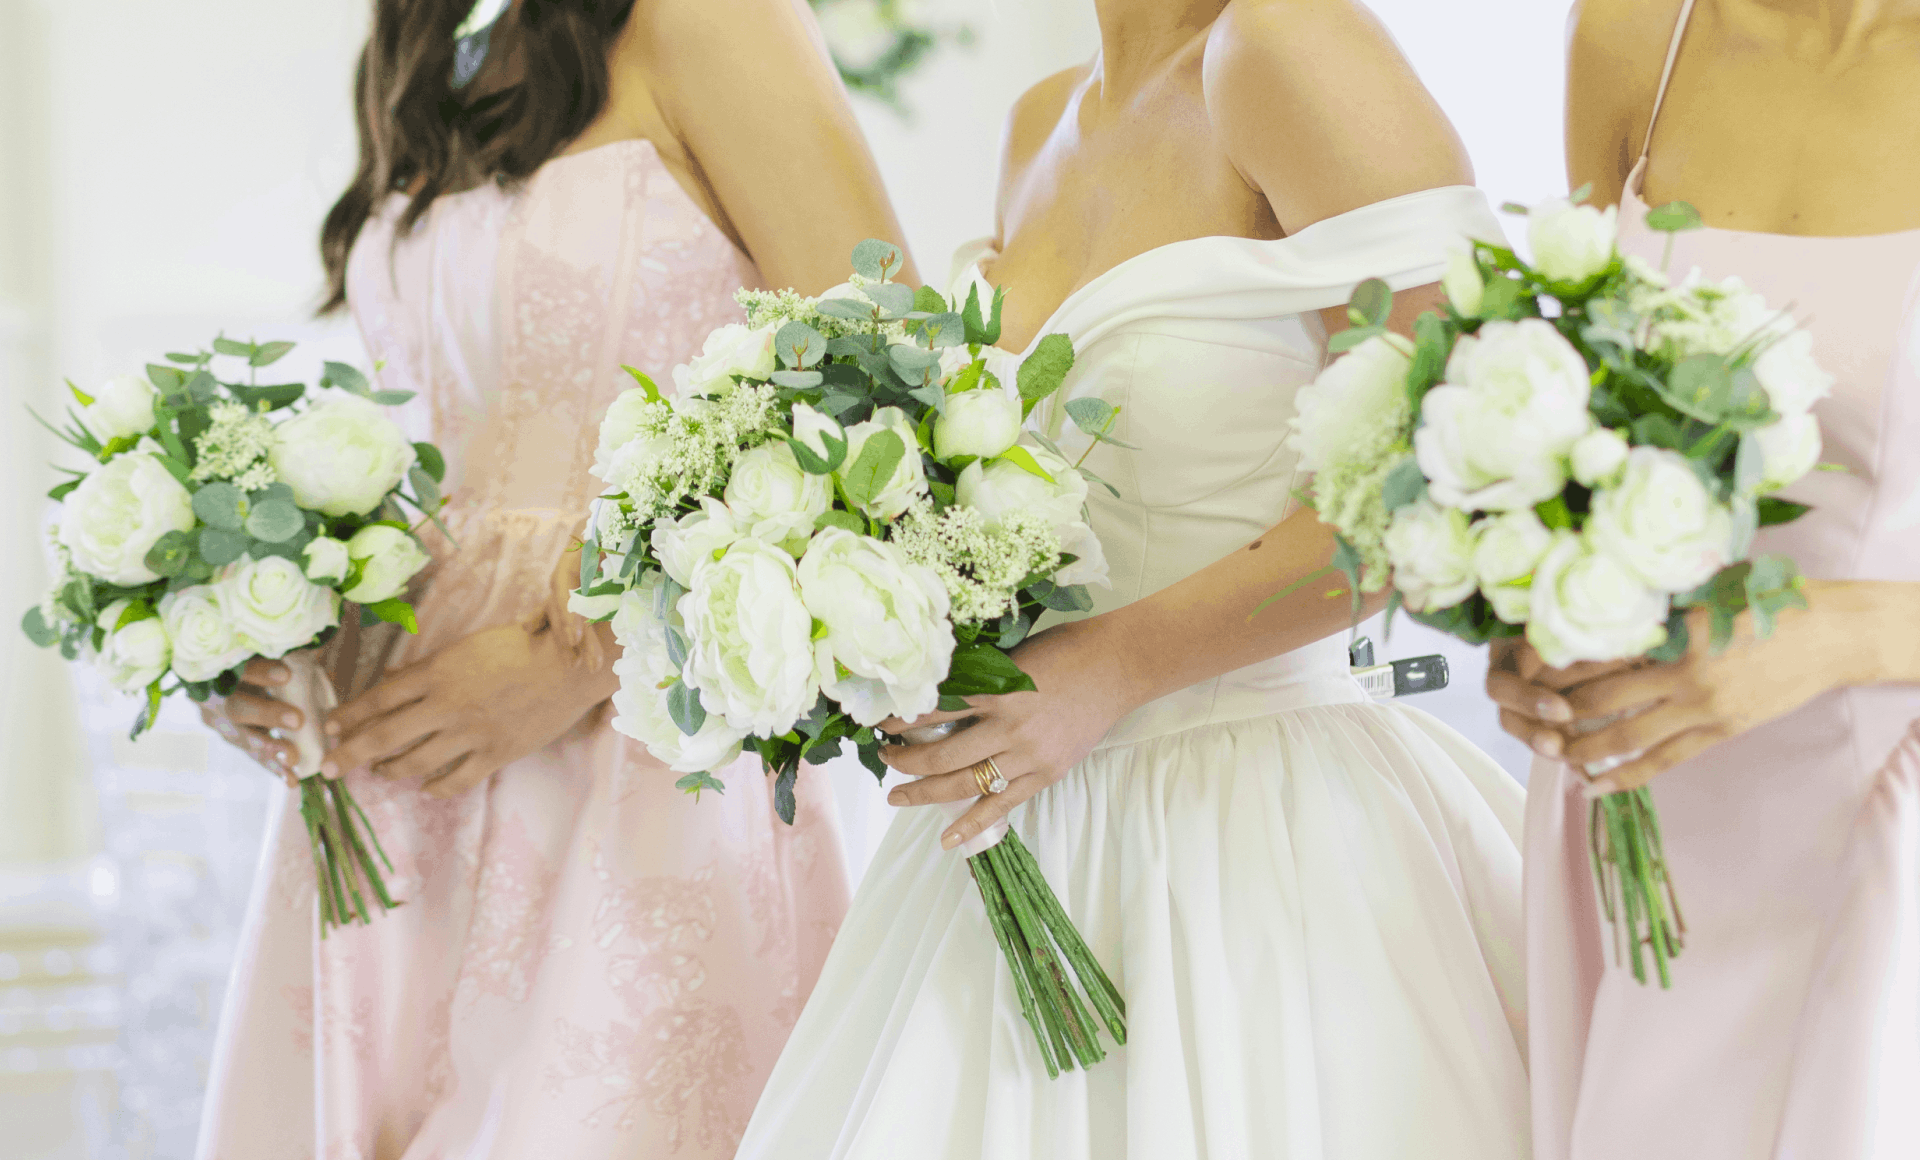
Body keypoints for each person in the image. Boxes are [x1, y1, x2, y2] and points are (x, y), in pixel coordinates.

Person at [734, 2, 1531, 1157]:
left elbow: (1451, 479)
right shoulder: (1037, 120)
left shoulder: (1287, 50)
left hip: (1262, 833)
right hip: (1010, 829)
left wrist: (1116, 666)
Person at [194, 1, 913, 1156]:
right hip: (394, 773)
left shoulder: (712, 21)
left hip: (646, 745)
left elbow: (888, 379)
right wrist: (262, 638)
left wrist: (589, 654)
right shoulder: (435, 48)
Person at [1486, 0, 1920, 1155]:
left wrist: (1854, 632)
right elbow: (1573, 411)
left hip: (1887, 803)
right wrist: (1520, 611)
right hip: (1637, 795)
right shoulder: (1634, 35)